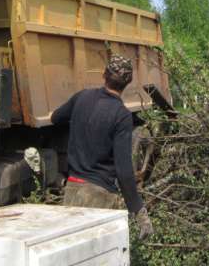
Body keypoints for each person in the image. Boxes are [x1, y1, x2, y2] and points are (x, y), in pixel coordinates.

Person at [51, 54, 154, 239]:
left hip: (72, 192)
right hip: (100, 199)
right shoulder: (121, 115)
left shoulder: (81, 97)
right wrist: (139, 212)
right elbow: (124, 171)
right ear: (127, 83)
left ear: (103, 75)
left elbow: (56, 118)